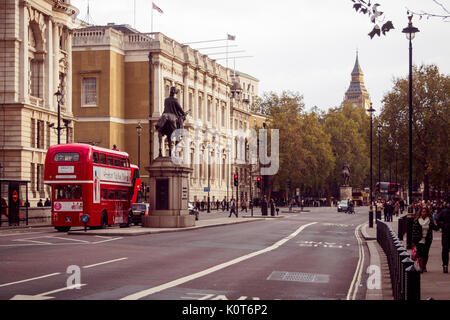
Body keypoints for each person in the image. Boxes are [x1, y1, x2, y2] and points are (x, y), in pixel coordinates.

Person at [412, 207, 439, 273]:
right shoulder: (417, 220)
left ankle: (424, 266)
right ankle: (421, 268)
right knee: (420, 253)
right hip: (419, 239)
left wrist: (440, 223)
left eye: (425, 212)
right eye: (422, 212)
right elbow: (414, 231)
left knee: (426, 253)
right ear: (420, 212)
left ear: (427, 213)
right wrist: (414, 241)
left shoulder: (430, 220)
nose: (424, 213)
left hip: (427, 239)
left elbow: (435, 228)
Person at [435, 203, 450, 273]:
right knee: (445, 250)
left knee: (445, 250)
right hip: (446, 233)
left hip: (446, 232)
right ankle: (445, 265)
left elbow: (437, 219)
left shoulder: (444, 211)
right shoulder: (445, 211)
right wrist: (443, 226)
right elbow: (437, 218)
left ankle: (445, 265)